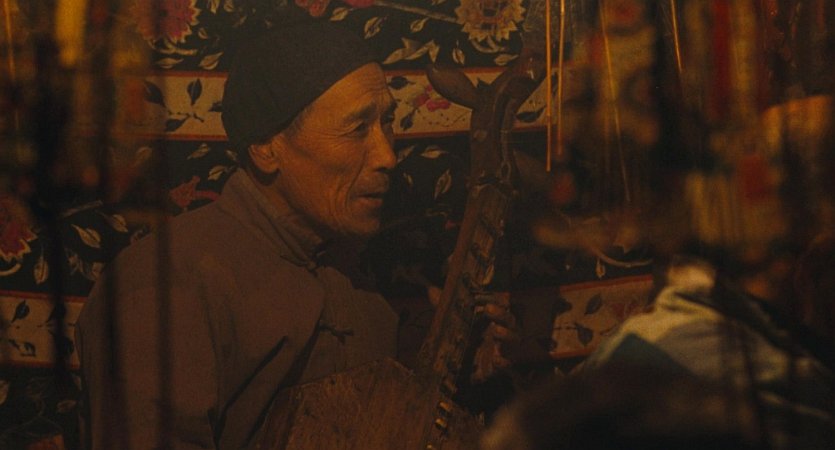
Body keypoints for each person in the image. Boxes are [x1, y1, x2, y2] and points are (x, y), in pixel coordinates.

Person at [77, 20, 402, 449]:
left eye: (388, 122)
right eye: (357, 128)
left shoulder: (362, 282)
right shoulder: (162, 289)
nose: (387, 156)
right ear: (267, 150)